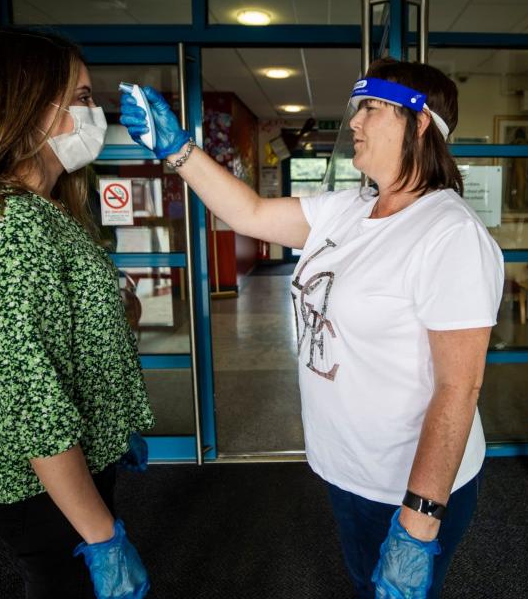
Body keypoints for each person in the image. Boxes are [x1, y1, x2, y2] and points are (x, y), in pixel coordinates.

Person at [120, 57, 504, 599]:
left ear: (419, 124)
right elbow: (250, 213)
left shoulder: (449, 235)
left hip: (404, 483)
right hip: (346, 465)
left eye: (371, 107)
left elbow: (458, 388)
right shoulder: (350, 208)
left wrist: (418, 523)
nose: (355, 122)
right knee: (359, 579)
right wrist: (179, 153)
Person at [0, 28, 154, 599]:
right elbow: (30, 397)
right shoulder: (6, 226)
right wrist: (102, 537)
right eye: (79, 98)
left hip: (74, 459)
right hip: (42, 482)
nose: (93, 111)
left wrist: (113, 311)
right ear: (23, 108)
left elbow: (79, 332)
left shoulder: (48, 211)